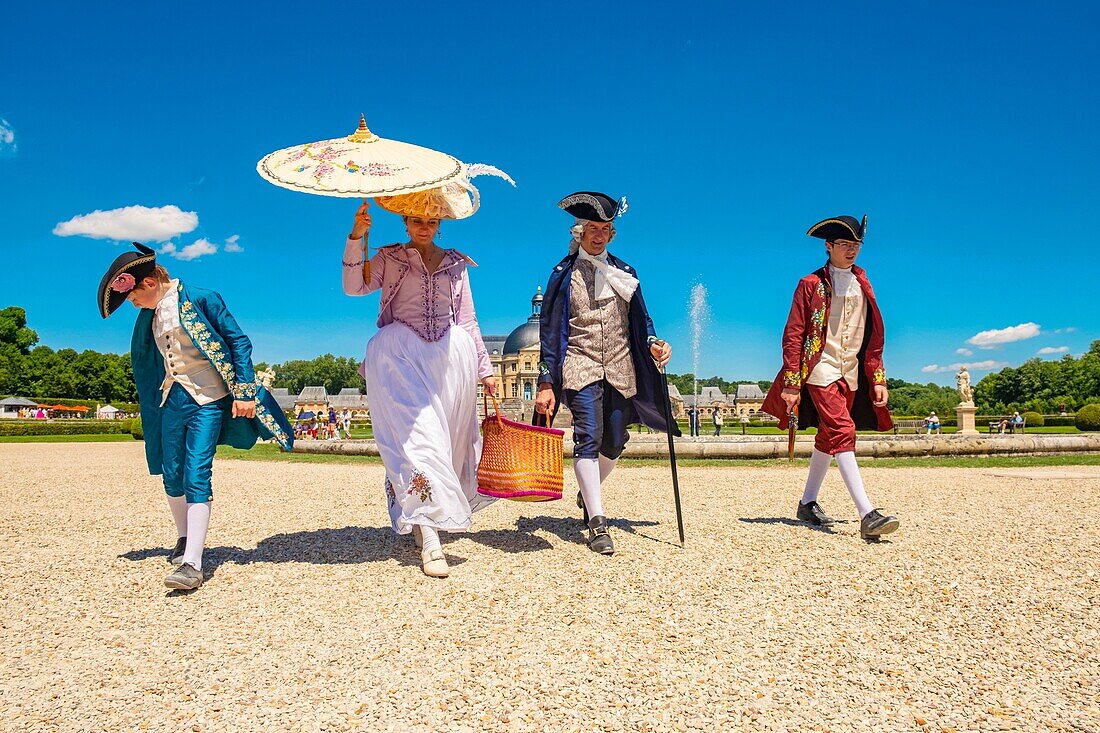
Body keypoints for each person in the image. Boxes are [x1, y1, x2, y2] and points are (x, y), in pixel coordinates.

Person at [98, 242, 293, 590]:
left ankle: (192, 563)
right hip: (172, 400)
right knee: (171, 473)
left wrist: (245, 392)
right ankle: (184, 537)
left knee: (196, 472)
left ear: (147, 283)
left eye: (133, 298)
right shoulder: (150, 317)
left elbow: (239, 343)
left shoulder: (202, 298)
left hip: (210, 398)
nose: (134, 304)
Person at [342, 196, 497, 578]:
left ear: (440, 222)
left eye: (431, 219)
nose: (424, 226)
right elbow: (352, 287)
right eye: (416, 219)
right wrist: (355, 237)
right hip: (399, 357)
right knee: (420, 441)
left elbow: (469, 320)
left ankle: (420, 515)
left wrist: (485, 369)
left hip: (448, 360)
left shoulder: (456, 265)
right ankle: (430, 538)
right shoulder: (390, 257)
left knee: (447, 444)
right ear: (405, 222)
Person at [534, 191, 677, 555]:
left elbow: (643, 322)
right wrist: (547, 380)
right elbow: (549, 332)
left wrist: (655, 344)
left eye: (606, 229)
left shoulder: (625, 273)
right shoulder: (562, 275)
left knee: (614, 440)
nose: (599, 235)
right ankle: (597, 521)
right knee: (589, 436)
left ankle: (588, 491)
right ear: (579, 232)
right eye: (593, 228)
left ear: (612, 233)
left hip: (619, 364)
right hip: (579, 363)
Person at [761, 215, 900, 541]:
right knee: (842, 428)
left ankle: (807, 503)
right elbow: (794, 334)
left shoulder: (863, 282)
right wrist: (792, 384)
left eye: (856, 245)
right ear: (828, 246)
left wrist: (878, 377)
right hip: (819, 367)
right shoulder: (810, 284)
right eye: (845, 245)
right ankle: (867, 513)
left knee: (828, 436)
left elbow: (874, 336)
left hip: (850, 369)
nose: (852, 251)